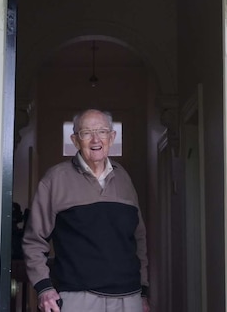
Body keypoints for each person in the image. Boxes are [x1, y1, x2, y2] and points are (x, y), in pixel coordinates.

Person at [23, 109, 150, 312]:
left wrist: (143, 291)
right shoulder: (55, 179)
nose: (95, 139)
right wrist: (44, 288)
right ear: (75, 140)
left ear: (112, 136)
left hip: (129, 298)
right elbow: (33, 241)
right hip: (78, 298)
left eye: (102, 131)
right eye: (86, 133)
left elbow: (139, 239)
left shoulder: (124, 178)